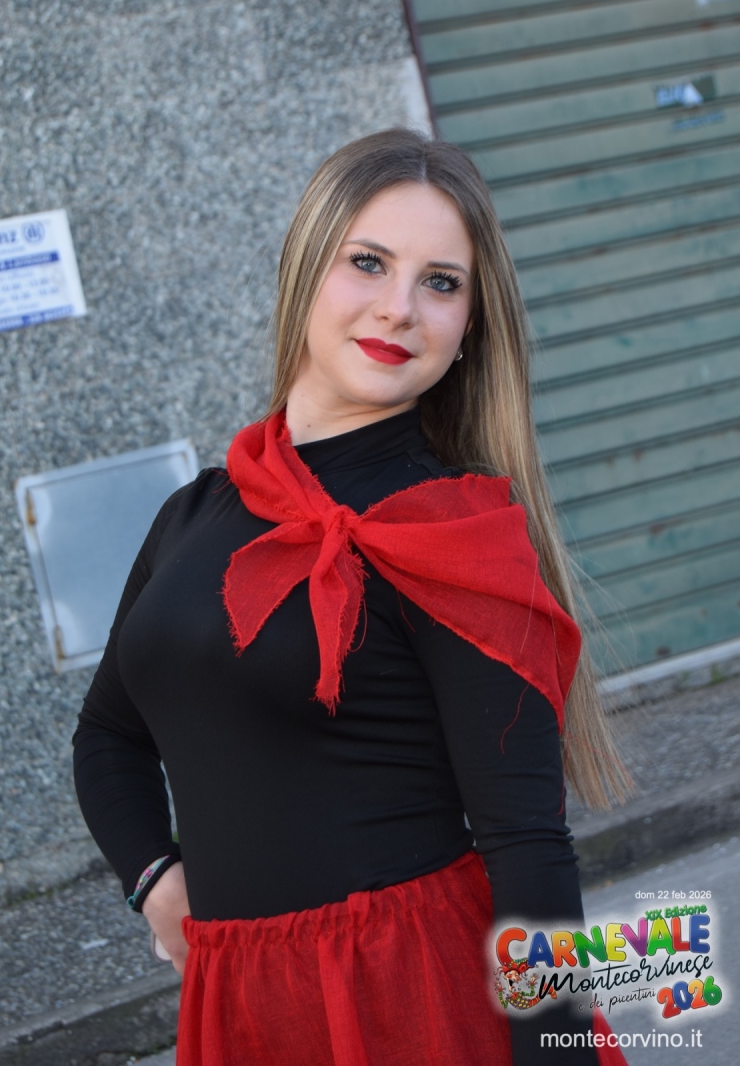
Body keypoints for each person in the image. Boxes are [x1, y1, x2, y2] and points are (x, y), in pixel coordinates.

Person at [73, 128, 629, 1066]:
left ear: (468, 330)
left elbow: (529, 847)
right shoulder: (194, 513)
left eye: (441, 283)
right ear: (303, 271)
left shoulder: (455, 533)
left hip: (411, 998)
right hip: (240, 1004)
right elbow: (106, 736)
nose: (398, 308)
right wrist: (155, 879)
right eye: (367, 262)